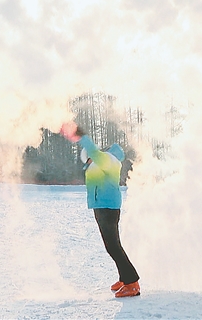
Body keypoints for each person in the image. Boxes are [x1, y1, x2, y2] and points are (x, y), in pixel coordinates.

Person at [60, 122, 140, 298]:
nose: (88, 162)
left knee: (113, 247)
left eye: (88, 158)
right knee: (113, 246)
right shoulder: (103, 163)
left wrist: (79, 134)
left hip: (107, 208)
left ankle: (132, 283)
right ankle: (124, 278)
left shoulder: (106, 160)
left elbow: (92, 149)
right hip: (103, 207)